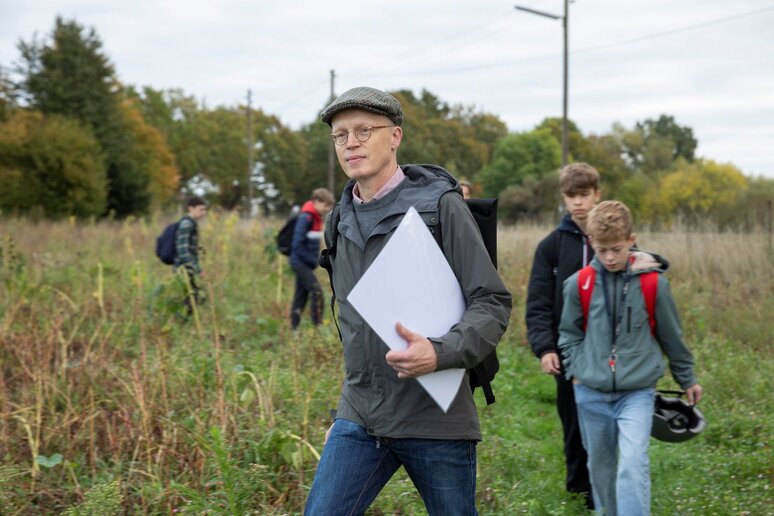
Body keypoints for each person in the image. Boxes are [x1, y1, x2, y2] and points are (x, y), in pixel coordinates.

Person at [305, 86, 512, 515]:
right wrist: (345, 413)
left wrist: (438, 354)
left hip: (436, 419)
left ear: (395, 136)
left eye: (364, 130)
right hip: (361, 418)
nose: (351, 143)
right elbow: (358, 328)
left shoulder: (441, 207)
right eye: (340, 136)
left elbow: (491, 302)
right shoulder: (339, 219)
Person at [558, 200, 703, 516]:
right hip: (589, 393)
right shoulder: (578, 284)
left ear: (631, 240)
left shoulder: (653, 285)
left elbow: (671, 336)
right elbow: (568, 334)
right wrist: (576, 370)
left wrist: (687, 377)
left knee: (632, 465)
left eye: (617, 249)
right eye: (602, 250)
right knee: (601, 468)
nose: (609, 257)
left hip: (637, 393)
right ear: (592, 243)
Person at [525, 162, 601, 508]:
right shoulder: (551, 246)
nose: (578, 203)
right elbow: (538, 302)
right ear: (563, 199)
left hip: (608, 351)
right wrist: (544, 348)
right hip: (568, 353)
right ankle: (579, 494)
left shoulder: (612, 239)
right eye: (571, 196)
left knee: (605, 421)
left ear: (597, 194)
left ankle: (606, 487)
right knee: (573, 423)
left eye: (584, 195)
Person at [289, 187, 334, 329]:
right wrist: (310, 260)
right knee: (317, 291)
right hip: (300, 263)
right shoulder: (306, 217)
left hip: (305, 263)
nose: (327, 209)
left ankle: (294, 328)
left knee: (301, 295)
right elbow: (297, 244)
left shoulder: (315, 218)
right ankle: (318, 325)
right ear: (316, 201)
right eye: (325, 205)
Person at [175, 196, 207, 313]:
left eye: (204, 209)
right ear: (191, 209)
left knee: (194, 296)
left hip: (188, 267)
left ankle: (187, 321)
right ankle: (182, 321)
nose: (204, 213)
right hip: (184, 268)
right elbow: (182, 250)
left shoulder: (191, 223)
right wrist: (197, 269)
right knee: (191, 297)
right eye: (201, 209)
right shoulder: (187, 224)